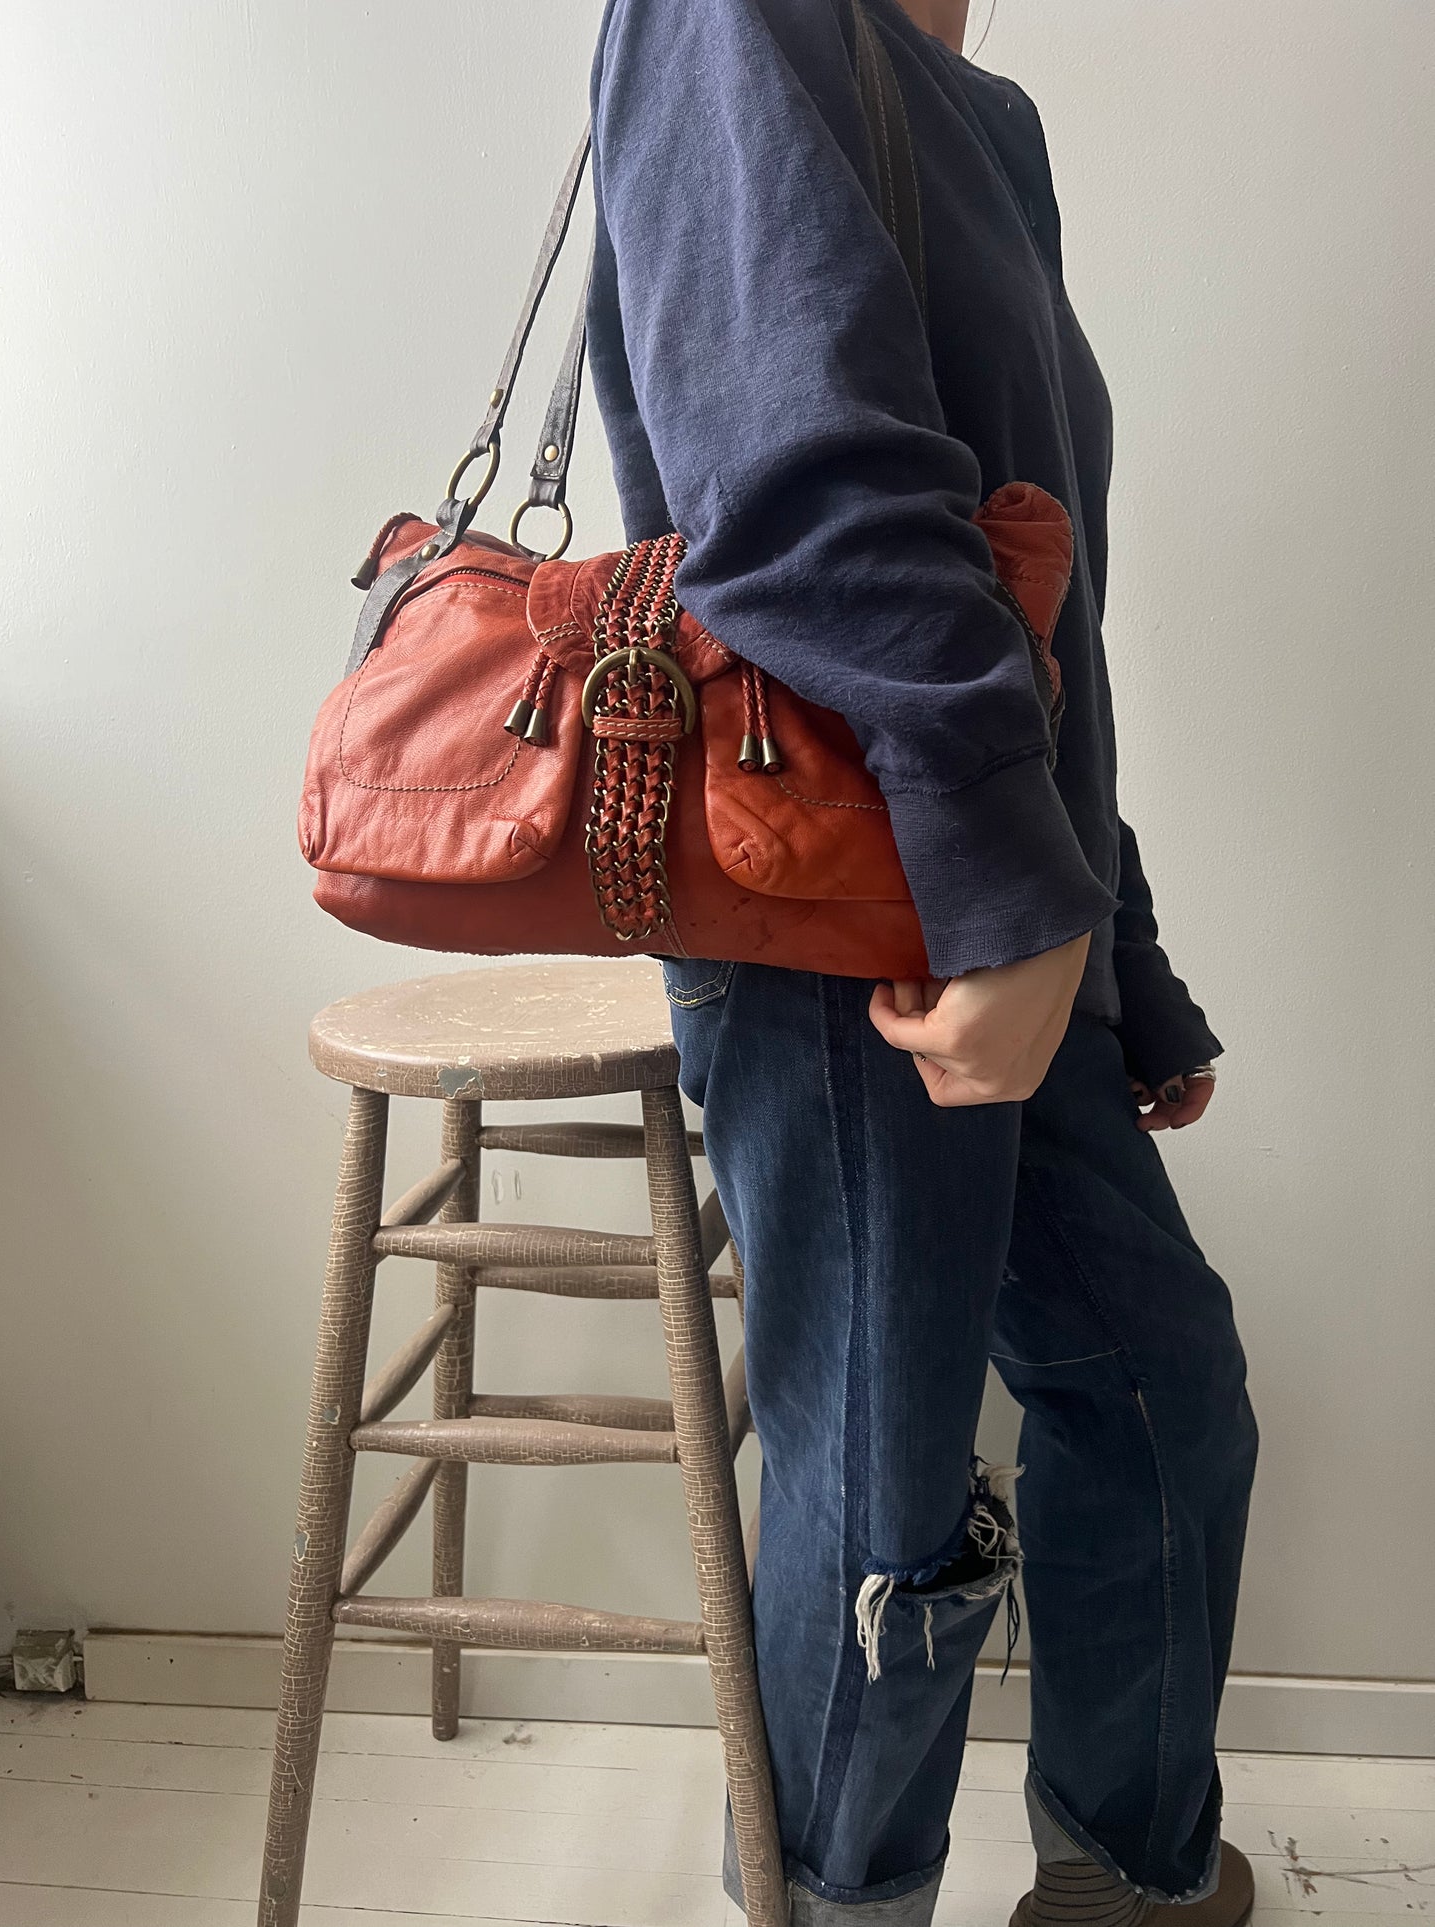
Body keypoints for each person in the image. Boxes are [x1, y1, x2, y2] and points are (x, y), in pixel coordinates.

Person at [585, 1, 1259, 1922]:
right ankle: (832, 1904)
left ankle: (1130, 1876)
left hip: (990, 902)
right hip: (831, 906)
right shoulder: (729, 20)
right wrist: (1012, 898)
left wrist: (1107, 939)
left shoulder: (977, 115)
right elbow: (796, 488)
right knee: (880, 1493)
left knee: (1159, 1393)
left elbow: (1032, 585)